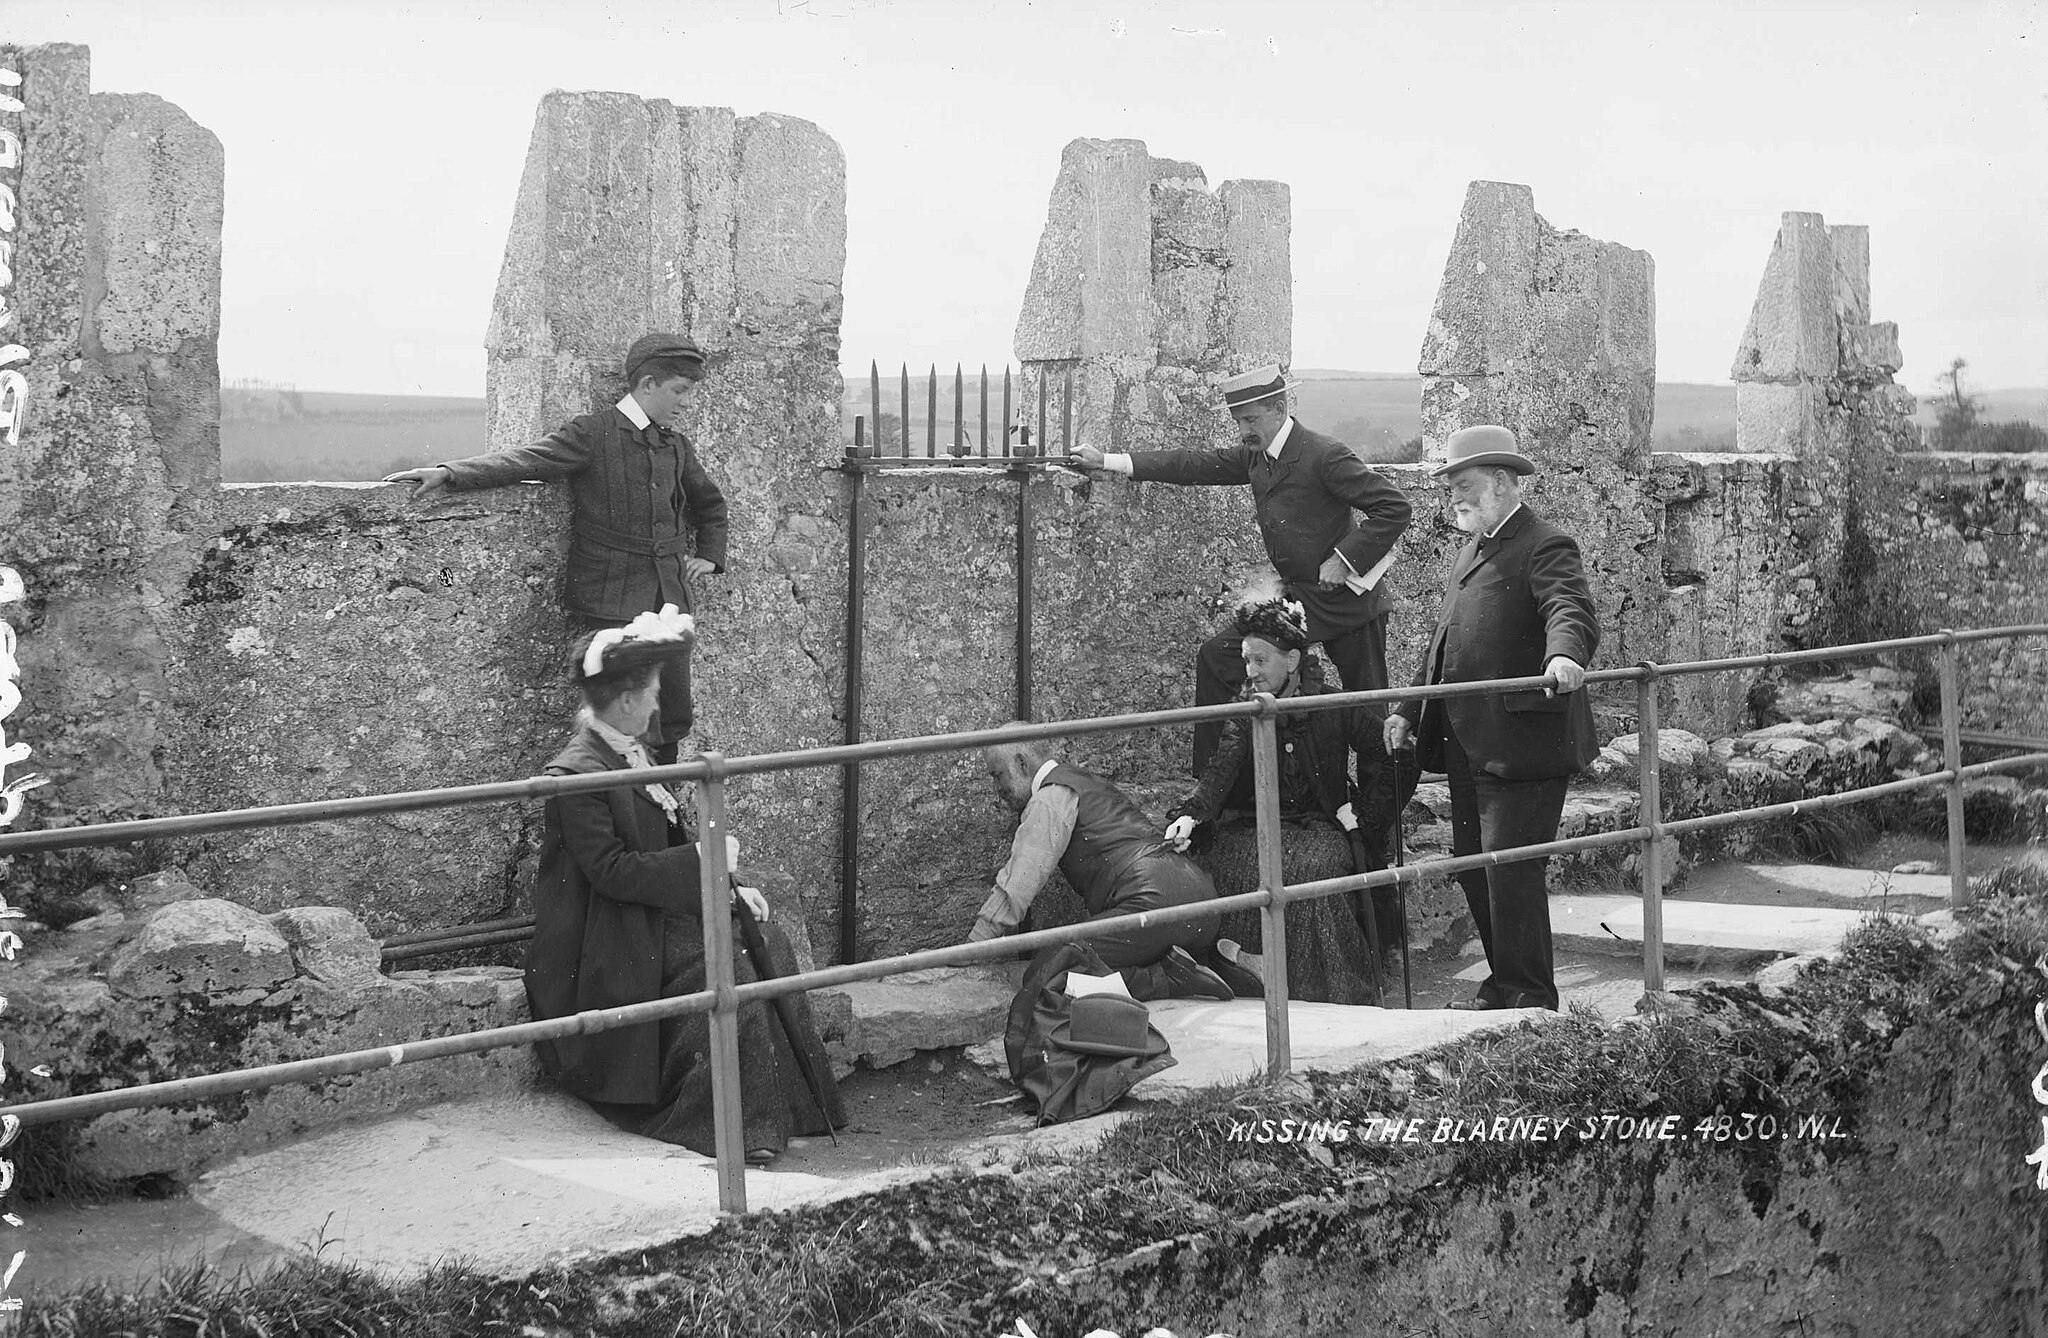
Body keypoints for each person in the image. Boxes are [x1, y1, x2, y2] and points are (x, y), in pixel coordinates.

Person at [523, 608, 842, 1164]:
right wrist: (701, 862)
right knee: (725, 966)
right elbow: (613, 873)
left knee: (769, 943)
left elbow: (671, 839)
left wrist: (728, 883)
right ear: (624, 701)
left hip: (643, 919)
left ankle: (791, 1110)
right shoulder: (574, 777)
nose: (656, 704)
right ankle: (730, 1129)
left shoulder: (625, 751)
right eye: (649, 693)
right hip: (604, 942)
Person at [1074, 364, 1411, 799]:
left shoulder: (1324, 455)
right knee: (1219, 658)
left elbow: (1394, 506)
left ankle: (1378, 815)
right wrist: (1109, 462)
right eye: (1237, 420)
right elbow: (1192, 464)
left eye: (1251, 419)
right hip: (1299, 602)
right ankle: (1219, 795)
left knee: (1366, 709)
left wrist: (1345, 559)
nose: (1243, 429)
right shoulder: (1257, 457)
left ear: (1279, 408)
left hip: (1349, 604)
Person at [385, 333, 728, 760]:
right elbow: (526, 460)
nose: (686, 403)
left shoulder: (675, 445)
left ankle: (659, 806)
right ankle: (621, 804)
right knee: (618, 710)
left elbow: (709, 503)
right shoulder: (593, 433)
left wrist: (710, 556)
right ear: (648, 385)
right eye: (679, 391)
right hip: (611, 596)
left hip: (669, 598)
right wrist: (449, 472)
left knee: (671, 711)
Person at [1384, 425, 1601, 1012]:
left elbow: (1569, 606)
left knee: (1511, 874)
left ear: (1504, 483)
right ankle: (1503, 984)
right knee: (1476, 869)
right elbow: (1443, 639)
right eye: (1449, 487)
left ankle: (1530, 998)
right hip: (1466, 737)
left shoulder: (1545, 542)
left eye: (1464, 485)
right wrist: (1408, 707)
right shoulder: (1471, 548)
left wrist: (1564, 654)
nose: (1453, 498)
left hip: (1522, 740)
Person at [1163, 598, 1400, 1006]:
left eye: (1260, 660)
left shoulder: (1329, 703)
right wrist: (1191, 815)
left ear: (1291, 661)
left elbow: (1394, 753)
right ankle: (1244, 969)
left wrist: (1364, 817)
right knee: (1214, 862)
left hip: (1321, 825)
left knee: (1313, 871)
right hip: (1259, 823)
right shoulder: (1247, 711)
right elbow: (1223, 768)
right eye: (1246, 660)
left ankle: (1326, 987)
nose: (1250, 671)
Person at [970, 732, 1260, 1001]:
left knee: (1046, 973)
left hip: (1151, 907)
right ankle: (1218, 960)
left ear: (1021, 763)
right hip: (1202, 903)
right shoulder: (1086, 781)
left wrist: (973, 947)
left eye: (998, 775)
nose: (998, 789)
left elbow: (1020, 881)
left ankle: (1167, 979)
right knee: (1102, 951)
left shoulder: (1050, 798)